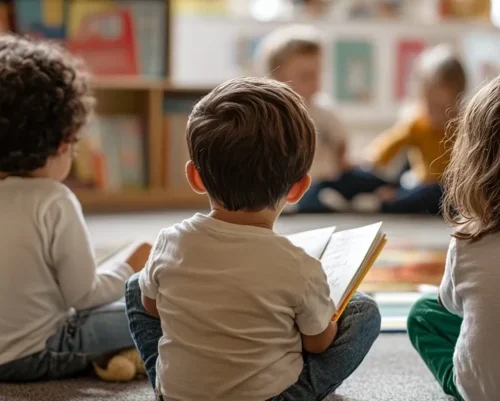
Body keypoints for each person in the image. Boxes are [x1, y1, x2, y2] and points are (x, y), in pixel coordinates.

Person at [125, 77, 381, 401]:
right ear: (298, 189)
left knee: (137, 284)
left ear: (195, 177)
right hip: (271, 397)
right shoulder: (299, 266)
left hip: (176, 396)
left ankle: (170, 379)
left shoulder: (170, 241)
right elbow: (318, 343)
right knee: (364, 311)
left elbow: (150, 306)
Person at [0, 35, 151, 382]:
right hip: (40, 351)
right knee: (155, 309)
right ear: (63, 141)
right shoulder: (53, 199)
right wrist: (132, 260)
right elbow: (84, 296)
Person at [407, 75, 500, 401]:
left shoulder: (468, 237)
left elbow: (451, 305)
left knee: (423, 312)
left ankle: (458, 383)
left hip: (484, 390)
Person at [323, 45, 467, 215]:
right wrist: (364, 161)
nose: (436, 114)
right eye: (431, 105)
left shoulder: (464, 125)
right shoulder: (416, 123)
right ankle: (360, 196)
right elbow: (386, 147)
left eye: (442, 107)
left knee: (434, 194)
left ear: (457, 97)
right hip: (418, 184)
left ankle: (383, 202)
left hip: (450, 191)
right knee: (363, 178)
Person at [254, 25, 352, 213]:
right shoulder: (272, 113)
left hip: (330, 177)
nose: (315, 83)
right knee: (308, 196)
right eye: (306, 77)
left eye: (317, 75)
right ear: (276, 79)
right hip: (292, 184)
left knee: (364, 178)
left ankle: (373, 195)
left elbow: (341, 143)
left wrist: (343, 165)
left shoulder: (325, 109)